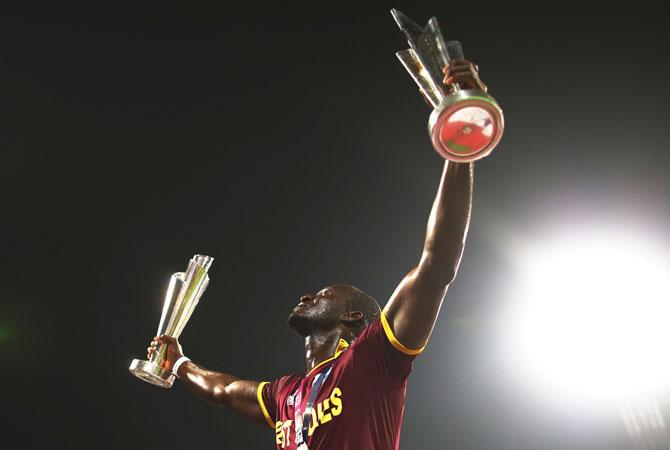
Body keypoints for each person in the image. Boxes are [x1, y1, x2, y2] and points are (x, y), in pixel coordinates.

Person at [148, 59, 486, 450]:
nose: (308, 296)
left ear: (352, 315)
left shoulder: (374, 359)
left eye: (325, 295)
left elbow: (437, 264)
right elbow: (222, 390)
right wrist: (179, 363)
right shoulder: (286, 395)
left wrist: (461, 149)